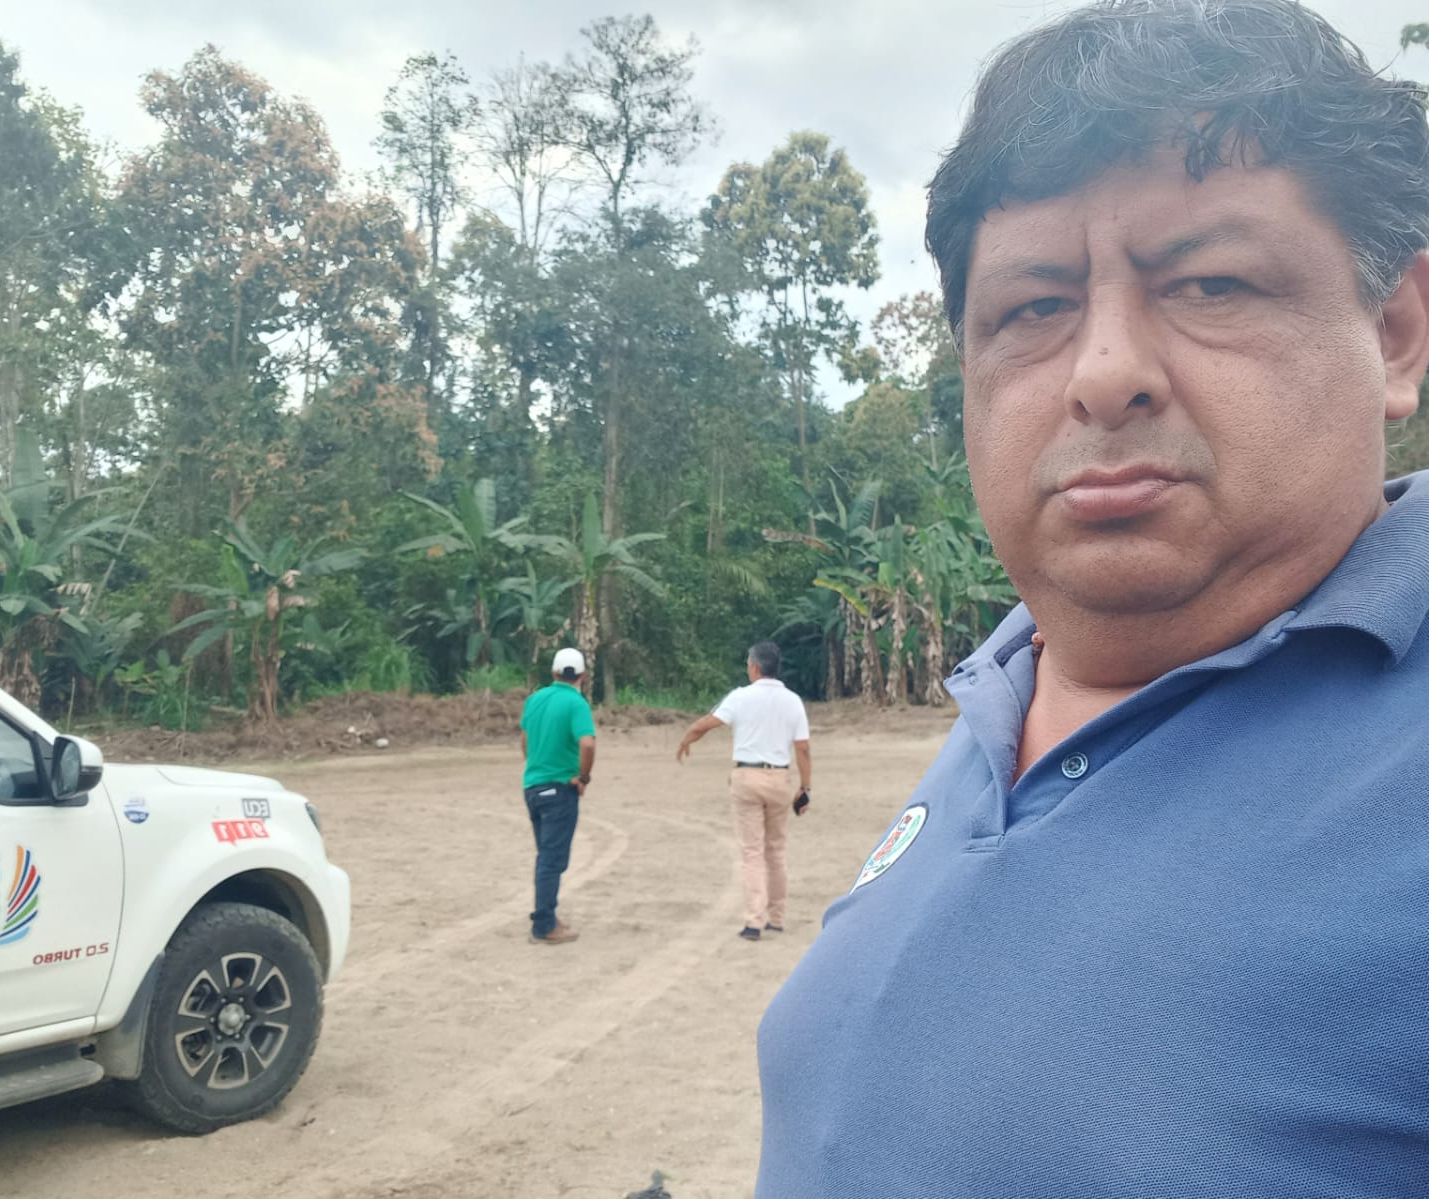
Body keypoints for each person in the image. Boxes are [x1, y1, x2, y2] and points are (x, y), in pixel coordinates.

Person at [754, 1, 1429, 1194]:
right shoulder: (1004, 688)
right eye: (1033, 308)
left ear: (1395, 331)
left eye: (1211, 282)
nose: (1104, 372)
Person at [676, 641, 811, 941]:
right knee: (776, 851)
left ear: (754, 667)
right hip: (779, 778)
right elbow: (803, 748)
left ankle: (753, 921)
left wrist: (686, 739)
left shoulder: (739, 697)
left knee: (752, 852)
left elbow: (707, 723)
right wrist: (806, 787)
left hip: (747, 777)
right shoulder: (793, 701)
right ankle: (777, 917)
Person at [519, 647, 596, 945]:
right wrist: (583, 776)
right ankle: (543, 925)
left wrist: (536, 764)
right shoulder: (576, 703)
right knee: (552, 860)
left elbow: (524, 740)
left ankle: (548, 914)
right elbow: (587, 744)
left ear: (553, 672)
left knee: (546, 856)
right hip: (559, 789)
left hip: (533, 787)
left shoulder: (534, 699)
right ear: (582, 676)